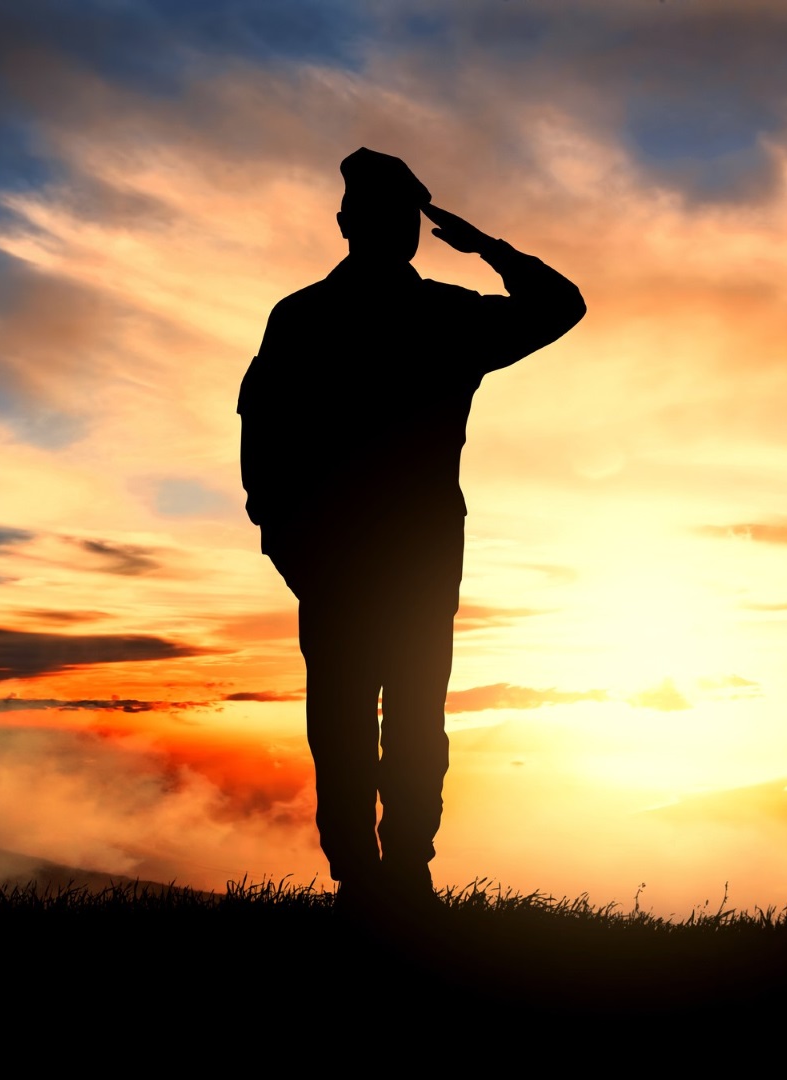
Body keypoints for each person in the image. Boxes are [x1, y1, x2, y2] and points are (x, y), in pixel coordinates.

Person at [237, 147, 585, 913]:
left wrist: (284, 540)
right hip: (398, 554)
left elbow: (261, 438)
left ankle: (370, 878)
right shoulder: (444, 317)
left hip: (354, 555)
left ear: (346, 225)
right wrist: (486, 246)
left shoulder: (308, 316)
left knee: (353, 716)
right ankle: (392, 877)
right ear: (388, 228)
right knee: (396, 717)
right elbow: (560, 304)